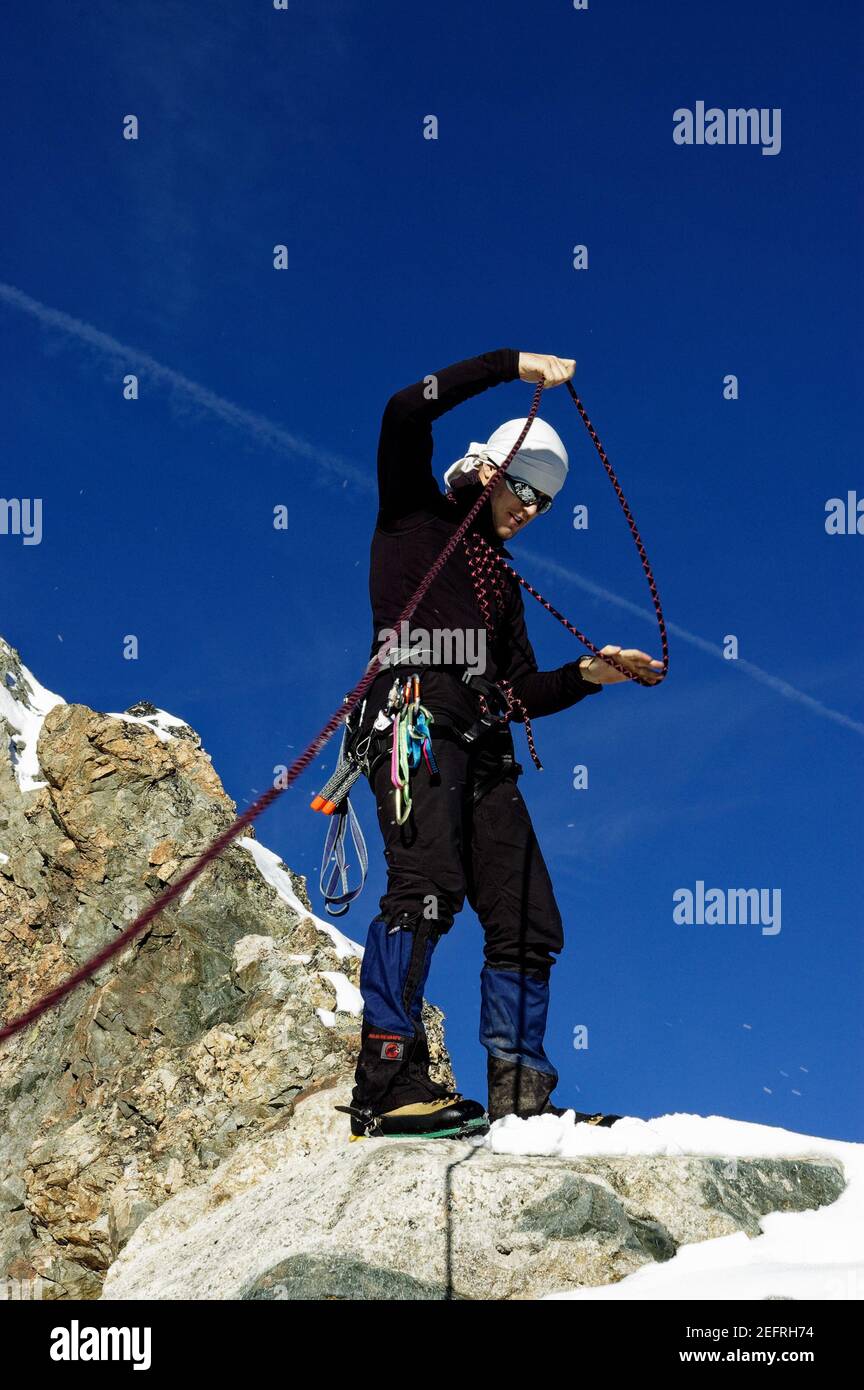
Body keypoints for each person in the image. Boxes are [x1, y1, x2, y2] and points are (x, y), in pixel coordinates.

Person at [338, 349, 663, 1141]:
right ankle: (385, 1083)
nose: (530, 511)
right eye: (524, 490)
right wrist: (511, 366)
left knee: (528, 919)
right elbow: (401, 411)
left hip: (483, 749)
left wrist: (588, 675)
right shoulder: (411, 514)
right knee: (426, 888)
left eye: (544, 505)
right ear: (488, 470)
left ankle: (522, 1101)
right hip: (413, 722)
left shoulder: (503, 584)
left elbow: (519, 692)